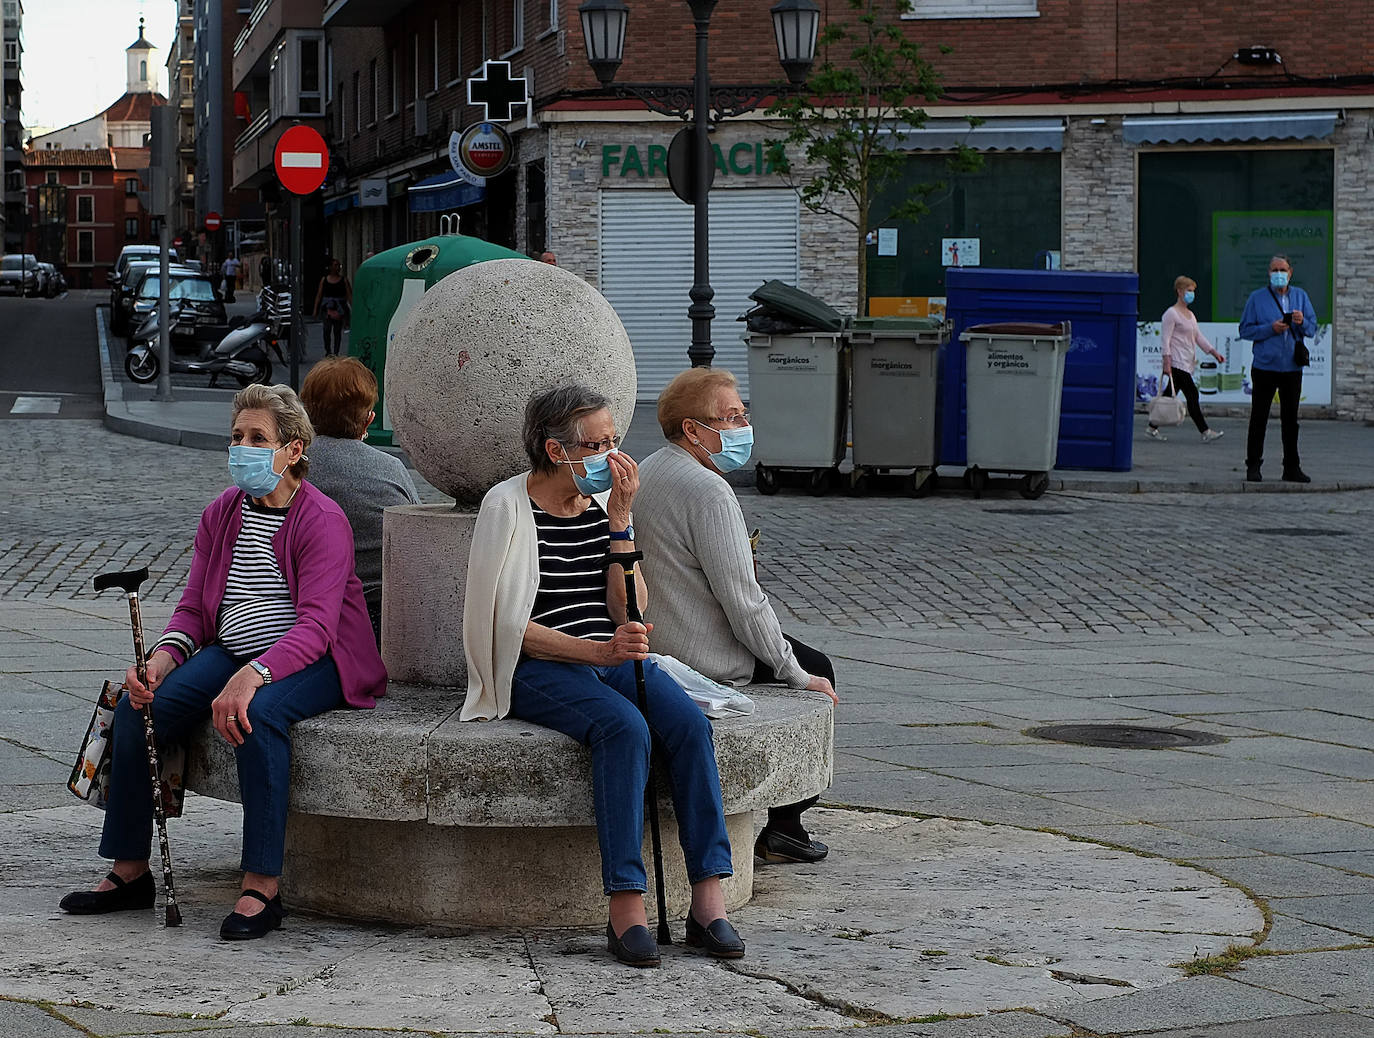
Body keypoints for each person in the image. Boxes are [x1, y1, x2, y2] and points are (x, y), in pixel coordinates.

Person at [59, 384, 386, 941]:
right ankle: (130, 870)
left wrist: (253, 675)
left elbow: (315, 626)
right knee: (143, 707)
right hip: (233, 649)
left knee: (257, 720)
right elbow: (192, 608)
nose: (243, 448)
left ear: (294, 449)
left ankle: (261, 885)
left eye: (259, 438)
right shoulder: (221, 513)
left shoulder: (321, 520)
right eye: (237, 437)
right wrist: (163, 658)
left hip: (317, 659)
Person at [461, 384, 742, 968]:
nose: (611, 454)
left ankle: (708, 896)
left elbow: (629, 608)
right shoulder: (507, 506)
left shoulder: (601, 507)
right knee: (623, 729)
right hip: (540, 663)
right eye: (595, 443)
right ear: (555, 449)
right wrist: (596, 655)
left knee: (689, 725)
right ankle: (625, 901)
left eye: (614, 439)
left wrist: (621, 521)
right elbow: (500, 626)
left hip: (609, 654)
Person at [633, 368, 838, 866]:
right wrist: (795, 672)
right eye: (730, 417)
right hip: (701, 650)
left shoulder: (652, 468)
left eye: (743, 414)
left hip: (660, 637)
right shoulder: (707, 490)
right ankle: (787, 824)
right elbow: (743, 600)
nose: (743, 426)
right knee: (821, 668)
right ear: (692, 430)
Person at [301, 357, 421, 643]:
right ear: (368, 418)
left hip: (309, 614)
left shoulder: (294, 468)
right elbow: (414, 531)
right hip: (378, 618)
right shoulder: (391, 469)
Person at [1239, 254, 1317, 483]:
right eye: (1275, 270)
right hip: (1265, 366)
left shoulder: (1300, 297)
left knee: (1291, 420)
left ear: (1290, 272)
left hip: (1292, 368)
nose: (1279, 274)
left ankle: (1291, 467)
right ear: (1269, 273)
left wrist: (1302, 322)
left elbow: (1312, 328)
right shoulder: (1257, 298)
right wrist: (1269, 329)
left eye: (1282, 269)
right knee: (1259, 417)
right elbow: (1244, 330)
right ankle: (1253, 465)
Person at [1148, 276, 1226, 443]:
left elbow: (1198, 336)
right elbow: (1166, 339)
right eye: (1189, 290)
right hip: (1176, 361)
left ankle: (1152, 426)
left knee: (1169, 395)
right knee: (1192, 394)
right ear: (1179, 291)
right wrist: (1166, 361)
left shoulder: (1190, 315)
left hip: (1187, 360)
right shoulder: (1171, 314)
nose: (1191, 294)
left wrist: (1213, 352)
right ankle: (1205, 431)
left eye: (1193, 291)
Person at [313, 259, 352, 357]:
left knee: (337, 331)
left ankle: (336, 352)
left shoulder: (344, 280)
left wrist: (353, 308)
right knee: (326, 329)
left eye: (339, 265)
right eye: (335, 265)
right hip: (327, 309)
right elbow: (319, 295)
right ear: (330, 267)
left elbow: (349, 295)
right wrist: (315, 310)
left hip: (339, 309)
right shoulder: (324, 280)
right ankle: (328, 351)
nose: (337, 267)